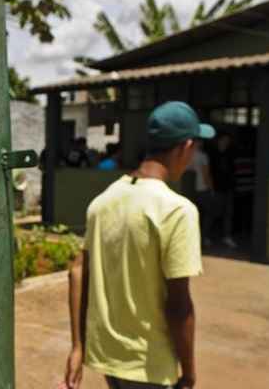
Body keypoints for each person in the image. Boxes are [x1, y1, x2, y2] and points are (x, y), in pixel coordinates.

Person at [64, 101, 214, 389]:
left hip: (109, 360)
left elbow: (77, 272)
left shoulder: (103, 201)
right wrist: (190, 372)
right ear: (186, 146)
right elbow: (179, 306)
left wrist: (77, 346)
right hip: (150, 366)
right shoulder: (176, 210)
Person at [209, 133, 238, 249]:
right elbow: (209, 172)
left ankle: (227, 236)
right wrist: (211, 188)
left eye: (228, 140)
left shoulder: (230, 154)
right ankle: (206, 236)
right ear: (219, 140)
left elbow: (233, 170)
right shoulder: (213, 154)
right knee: (213, 212)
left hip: (229, 187)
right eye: (224, 140)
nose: (226, 142)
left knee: (228, 213)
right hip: (217, 188)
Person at [185, 141, 215, 247]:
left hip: (188, 190)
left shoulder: (185, 154)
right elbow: (206, 174)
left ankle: (191, 239)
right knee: (209, 212)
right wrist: (211, 188)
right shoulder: (202, 156)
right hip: (202, 188)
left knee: (192, 215)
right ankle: (203, 237)